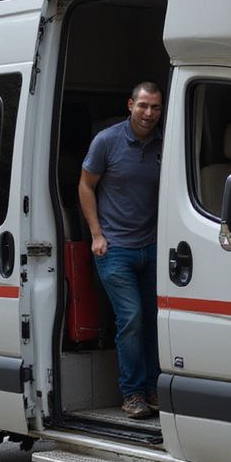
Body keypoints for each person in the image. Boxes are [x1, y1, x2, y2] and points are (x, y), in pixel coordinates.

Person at [78, 82, 164, 420]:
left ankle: (155, 387)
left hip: (154, 247)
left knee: (155, 321)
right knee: (131, 319)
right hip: (115, 250)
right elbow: (85, 185)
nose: (148, 113)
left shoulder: (165, 143)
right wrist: (96, 234)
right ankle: (132, 394)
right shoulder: (107, 142)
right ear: (130, 104)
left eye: (155, 107)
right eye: (143, 105)